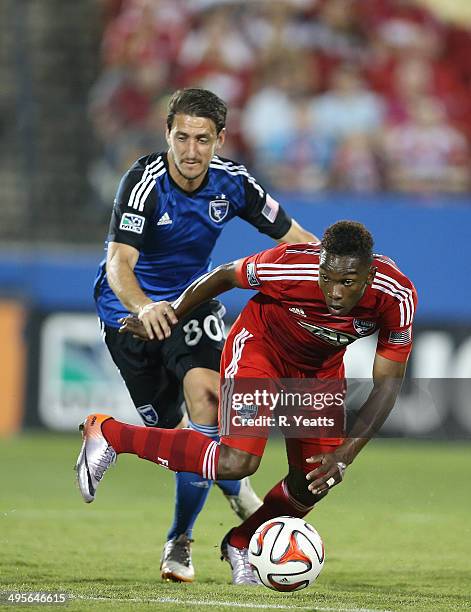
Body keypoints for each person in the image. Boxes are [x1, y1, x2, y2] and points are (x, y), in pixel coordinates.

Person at [78, 220, 417, 585]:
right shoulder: (292, 264)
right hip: (261, 348)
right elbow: (225, 275)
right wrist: (173, 313)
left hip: (318, 372)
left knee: (316, 479)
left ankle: (240, 543)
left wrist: (345, 455)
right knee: (237, 462)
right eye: (327, 278)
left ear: (368, 278)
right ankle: (110, 434)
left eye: (346, 283)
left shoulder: (396, 296)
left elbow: (387, 385)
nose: (334, 292)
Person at [92, 87, 317, 582]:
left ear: (221, 139)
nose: (191, 151)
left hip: (191, 305)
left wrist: (340, 274)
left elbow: (297, 239)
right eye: (181, 138)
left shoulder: (234, 184)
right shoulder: (143, 182)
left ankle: (179, 542)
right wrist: (144, 305)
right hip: (129, 317)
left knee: (207, 403)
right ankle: (233, 489)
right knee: (176, 436)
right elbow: (118, 262)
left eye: (202, 139)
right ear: (166, 134)